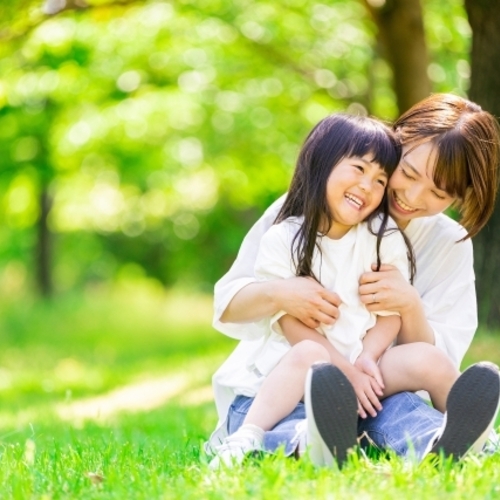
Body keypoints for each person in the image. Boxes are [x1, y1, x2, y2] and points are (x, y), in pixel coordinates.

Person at [207, 94, 500, 465]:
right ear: (395, 141)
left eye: (438, 193)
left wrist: (408, 307)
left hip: (377, 388)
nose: (412, 196)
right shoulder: (305, 209)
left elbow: (434, 362)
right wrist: (282, 294)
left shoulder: (445, 243)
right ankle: (303, 440)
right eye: (409, 173)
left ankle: (449, 441)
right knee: (299, 419)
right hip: (282, 383)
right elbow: (229, 305)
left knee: (403, 412)